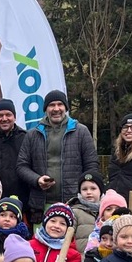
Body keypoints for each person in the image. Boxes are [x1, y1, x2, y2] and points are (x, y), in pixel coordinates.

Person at [16, 90, 99, 225]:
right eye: (51, 105)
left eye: (60, 104)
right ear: (45, 109)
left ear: (66, 108)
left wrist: (86, 191)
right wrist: (37, 180)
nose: (56, 109)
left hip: (74, 204)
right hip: (41, 205)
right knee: (41, 244)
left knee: (71, 244)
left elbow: (91, 165)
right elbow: (21, 166)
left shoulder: (81, 132)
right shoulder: (32, 134)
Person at [68, 170, 104, 250]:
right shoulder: (74, 212)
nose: (89, 192)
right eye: (84, 189)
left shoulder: (107, 211)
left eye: (93, 188)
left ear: (100, 191)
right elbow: (67, 239)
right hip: (80, 258)